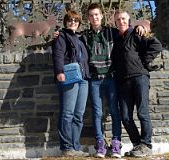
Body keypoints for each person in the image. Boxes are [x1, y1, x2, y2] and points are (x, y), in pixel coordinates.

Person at [53, 3, 150, 158]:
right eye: (91, 16)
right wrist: (59, 33)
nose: (94, 18)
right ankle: (99, 144)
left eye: (97, 15)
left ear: (102, 16)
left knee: (114, 111)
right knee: (97, 112)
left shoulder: (112, 32)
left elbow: (127, 28)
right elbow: (68, 37)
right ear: (88, 18)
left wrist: (142, 26)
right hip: (93, 80)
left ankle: (116, 144)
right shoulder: (83, 36)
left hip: (111, 78)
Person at [111, 10, 162, 157]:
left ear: (129, 20)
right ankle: (137, 145)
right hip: (123, 82)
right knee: (126, 117)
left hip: (139, 77)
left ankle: (146, 144)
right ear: (115, 23)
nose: (121, 21)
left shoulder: (137, 33)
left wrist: (145, 60)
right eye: (118, 19)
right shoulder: (117, 40)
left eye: (124, 19)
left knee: (142, 112)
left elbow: (156, 45)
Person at [52, 10, 90, 157]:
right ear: (65, 22)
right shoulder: (61, 35)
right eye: (70, 20)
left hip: (83, 78)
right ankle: (66, 148)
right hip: (69, 76)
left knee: (78, 115)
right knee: (67, 113)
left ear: (79, 23)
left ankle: (75, 147)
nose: (73, 22)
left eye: (75, 20)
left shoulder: (81, 38)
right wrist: (59, 72)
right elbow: (58, 54)